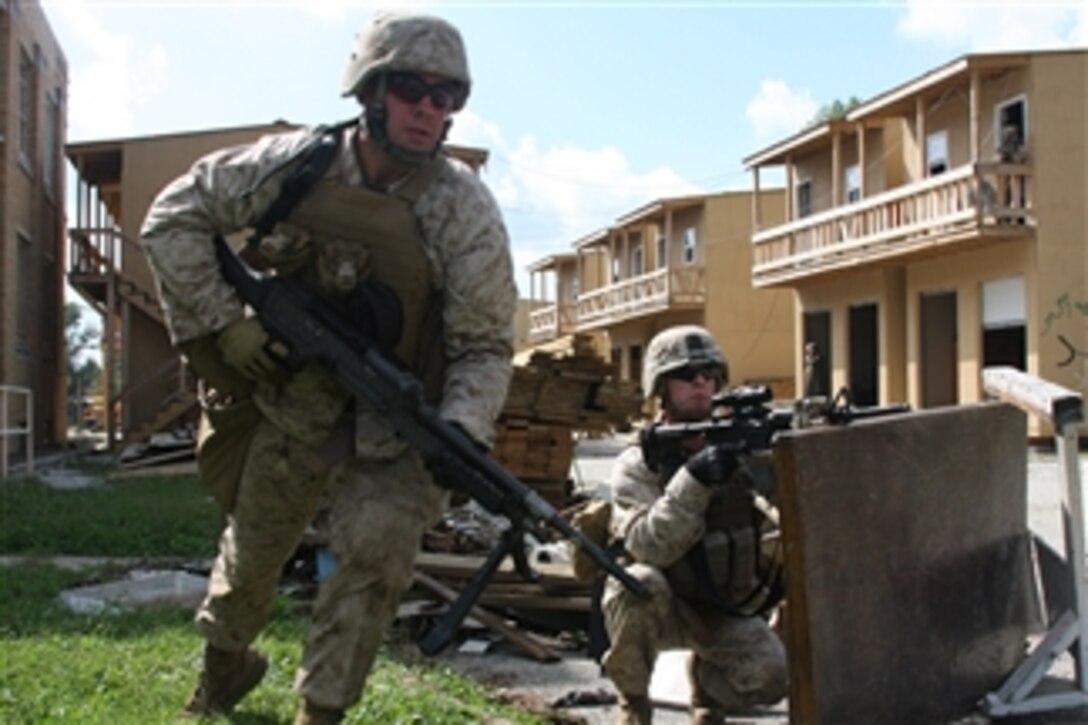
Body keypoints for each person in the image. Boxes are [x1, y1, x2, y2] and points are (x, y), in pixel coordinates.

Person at [139, 12, 515, 724]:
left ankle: (323, 710)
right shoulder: (296, 165)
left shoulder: (462, 209)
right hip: (294, 398)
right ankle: (224, 670)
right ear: (370, 91)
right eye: (412, 89)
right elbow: (172, 218)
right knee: (253, 558)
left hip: (398, 417)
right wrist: (230, 322)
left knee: (373, 556)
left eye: (447, 97)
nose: (429, 110)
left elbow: (484, 344)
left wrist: (462, 429)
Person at [601, 325, 787, 724]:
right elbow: (648, 544)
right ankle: (633, 702)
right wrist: (694, 480)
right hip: (663, 605)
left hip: (723, 605)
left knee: (772, 676)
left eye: (709, 373)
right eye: (687, 375)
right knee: (635, 584)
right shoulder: (640, 463)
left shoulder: (744, 446)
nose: (701, 382)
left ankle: (708, 692)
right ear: (661, 387)